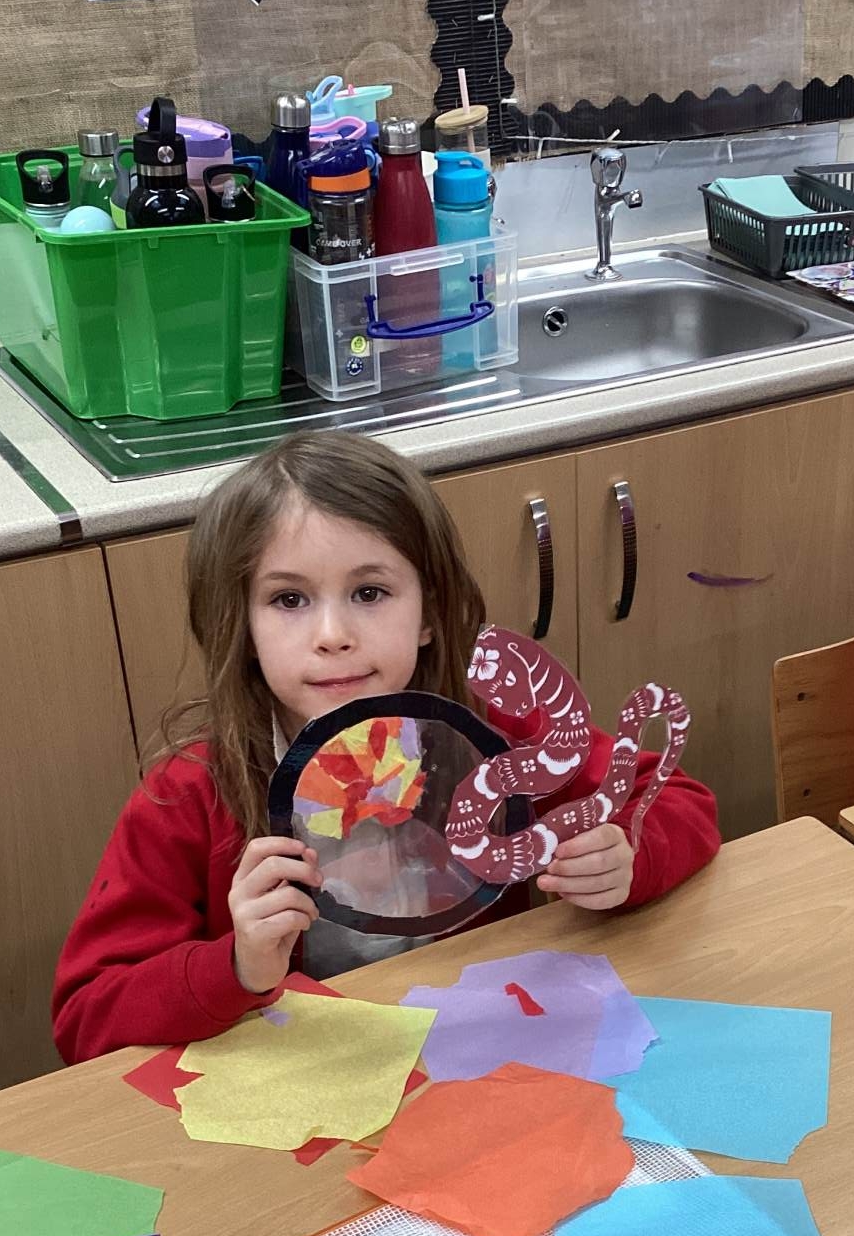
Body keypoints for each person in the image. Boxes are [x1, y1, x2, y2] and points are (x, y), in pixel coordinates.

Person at [53, 434, 720, 1062]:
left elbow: (676, 798)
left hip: (479, 1058)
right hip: (299, 1085)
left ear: (429, 612)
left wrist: (628, 855)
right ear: (241, 626)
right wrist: (235, 965)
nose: (333, 634)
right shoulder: (189, 795)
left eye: (369, 592)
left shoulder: (499, 735)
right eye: (289, 599)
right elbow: (86, 1017)